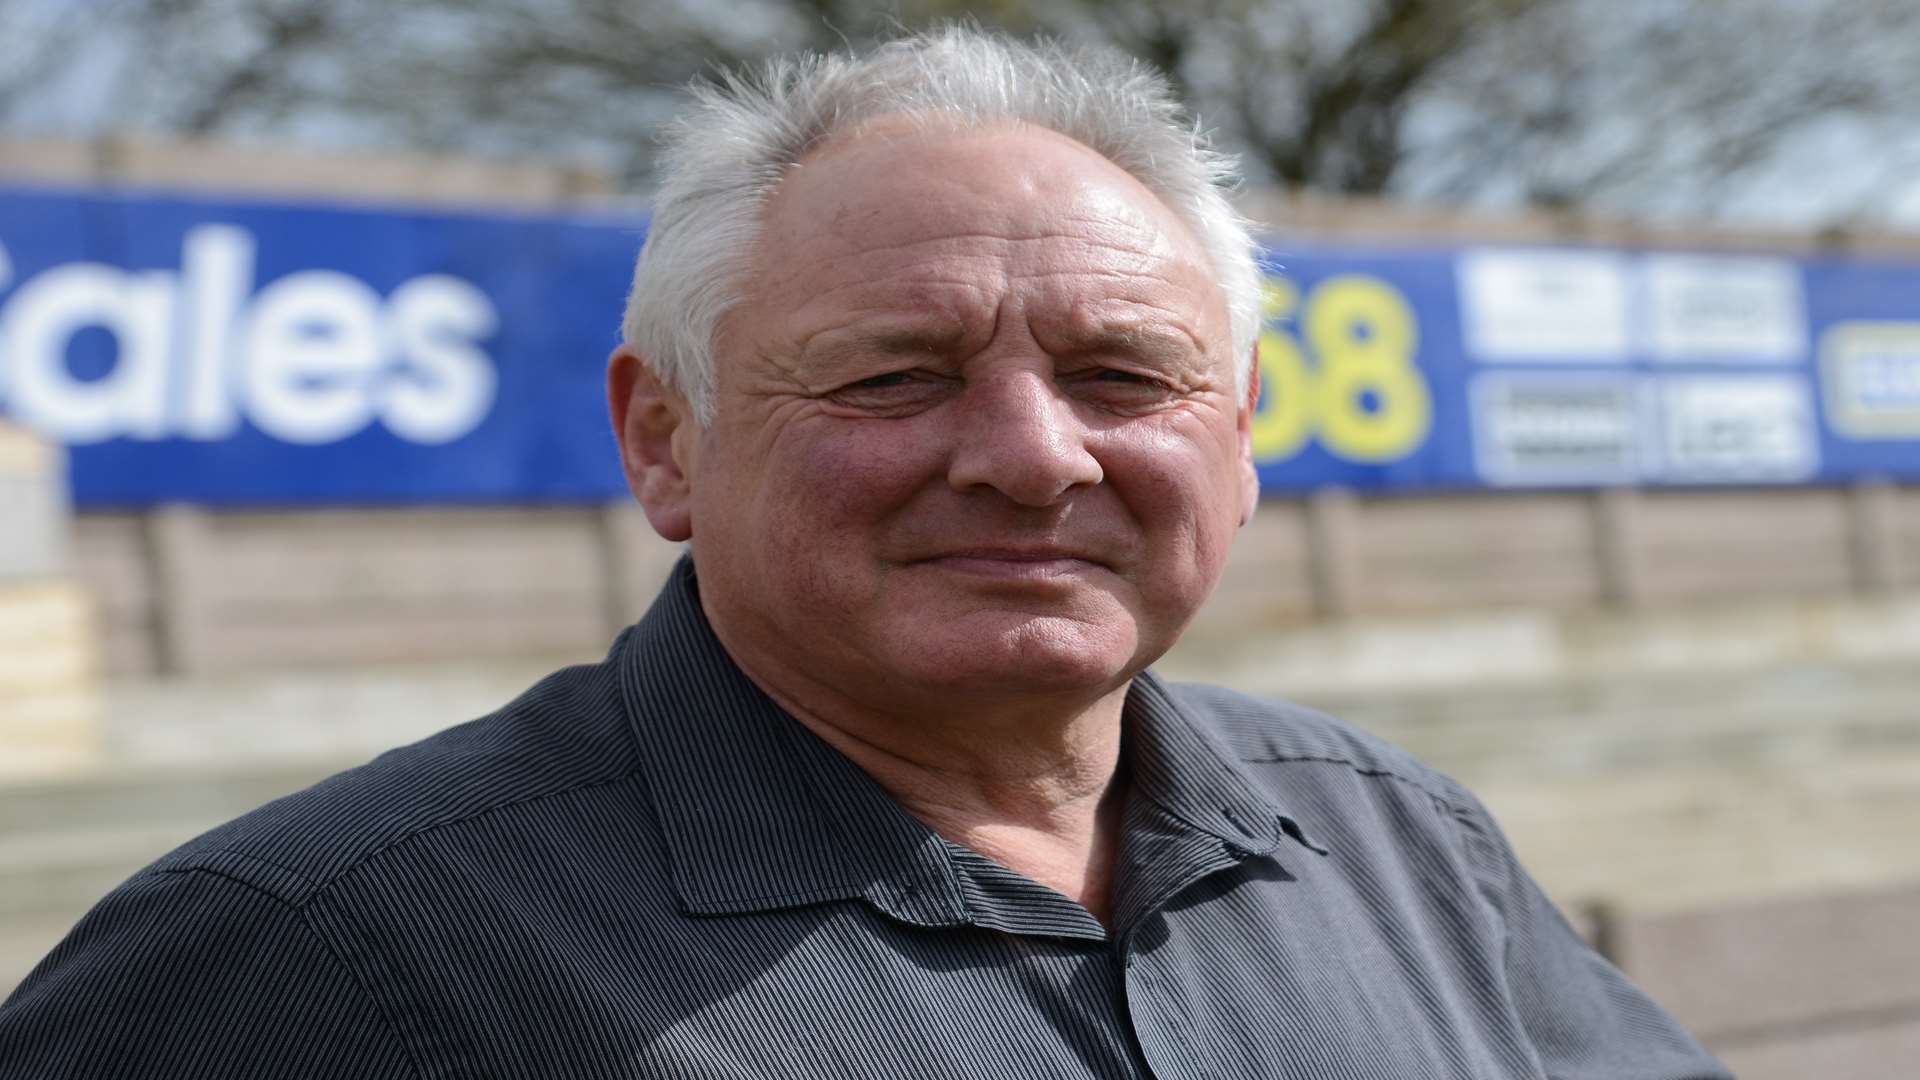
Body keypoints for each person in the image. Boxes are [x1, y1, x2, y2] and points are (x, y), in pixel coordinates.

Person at [0, 27, 1728, 1079]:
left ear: (1245, 436)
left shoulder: (1400, 845)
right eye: (898, 375)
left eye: (1127, 375)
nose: (1034, 454)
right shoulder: (318, 954)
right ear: (663, 439)